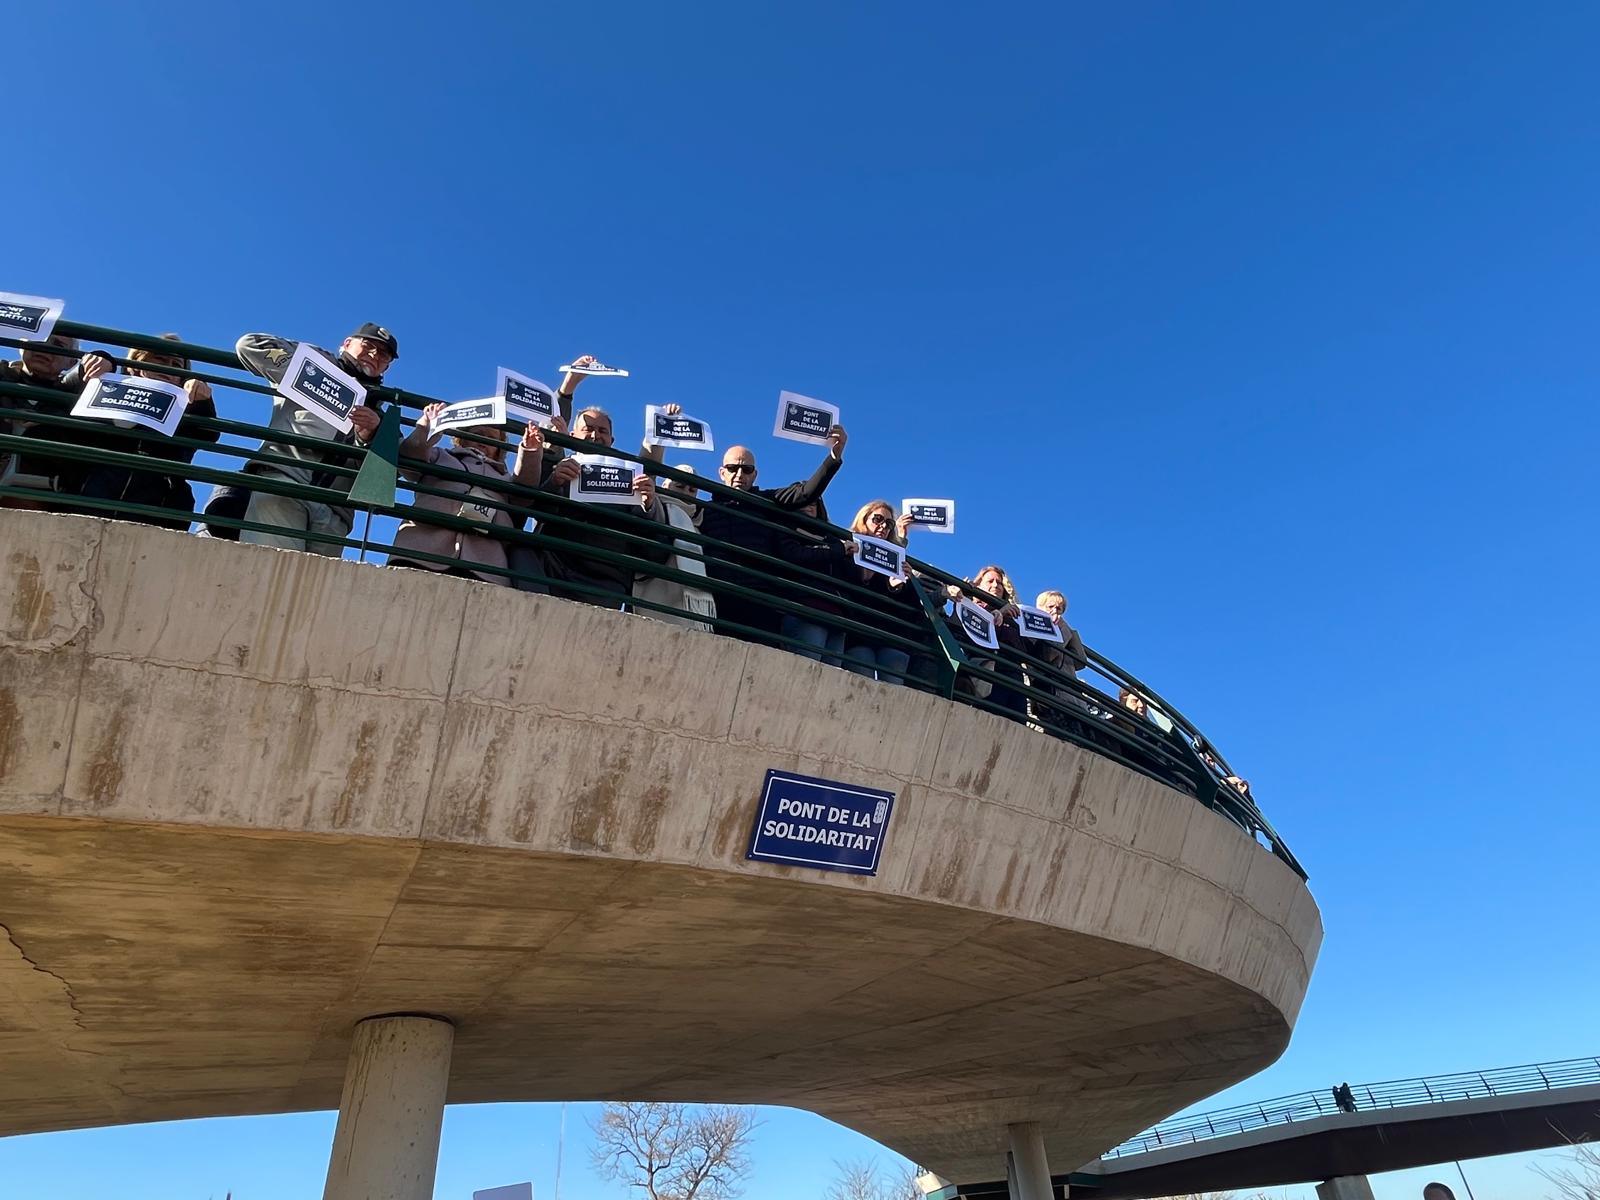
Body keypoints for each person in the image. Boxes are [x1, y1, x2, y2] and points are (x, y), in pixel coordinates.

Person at [643, 416, 847, 644]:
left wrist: (833, 458)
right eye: (732, 468)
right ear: (722, 472)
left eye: (746, 469)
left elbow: (806, 493)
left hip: (761, 603)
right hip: (718, 600)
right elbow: (660, 502)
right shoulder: (704, 509)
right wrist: (659, 431)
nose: (739, 474)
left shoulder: (768, 502)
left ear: (754, 474)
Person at [203, 322, 398, 553]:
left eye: (384, 354)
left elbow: (386, 475)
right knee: (270, 570)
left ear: (386, 366)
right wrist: (319, 373)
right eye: (367, 345)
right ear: (346, 344)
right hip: (284, 486)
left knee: (316, 588)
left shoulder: (381, 415)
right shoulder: (313, 367)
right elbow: (248, 344)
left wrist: (369, 436)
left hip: (335, 515)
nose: (374, 354)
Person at [51, 335, 219, 530]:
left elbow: (207, 434)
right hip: (86, 499)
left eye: (176, 365)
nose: (169, 367)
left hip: (157, 511)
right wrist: (99, 360)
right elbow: (65, 393)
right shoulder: (108, 388)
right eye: (160, 360)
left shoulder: (185, 408)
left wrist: (202, 400)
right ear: (136, 365)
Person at [518, 406, 674, 604]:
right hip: (554, 573)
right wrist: (555, 482)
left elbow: (654, 548)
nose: (595, 435)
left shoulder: (630, 480)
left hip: (607, 584)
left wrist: (649, 505)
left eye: (603, 431)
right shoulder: (561, 468)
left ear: (612, 440)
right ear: (572, 435)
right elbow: (534, 511)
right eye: (588, 428)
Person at [389, 404, 545, 585]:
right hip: (421, 552)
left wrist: (530, 451)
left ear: (499, 448)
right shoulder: (439, 455)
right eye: (477, 434)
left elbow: (524, 494)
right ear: (462, 439)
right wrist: (427, 427)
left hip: (486, 566)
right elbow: (409, 463)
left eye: (491, 438)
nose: (483, 441)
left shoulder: (505, 477)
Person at [2, 334, 105, 507]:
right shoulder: (3, 376)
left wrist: (102, 359)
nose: (45, 348)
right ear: (22, 346)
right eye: (39, 339)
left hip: (37, 495)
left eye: (58, 346)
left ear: (71, 362)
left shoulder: (71, 398)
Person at [840, 500, 921, 685]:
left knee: (893, 692)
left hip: (889, 634)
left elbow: (910, 603)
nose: (883, 526)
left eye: (889, 523)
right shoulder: (847, 545)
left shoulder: (894, 558)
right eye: (878, 519)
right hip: (857, 632)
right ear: (864, 519)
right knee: (861, 685)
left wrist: (897, 586)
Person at [632, 462, 717, 631]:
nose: (686, 493)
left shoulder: (700, 521)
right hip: (655, 596)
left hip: (689, 610)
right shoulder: (654, 505)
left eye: (692, 490)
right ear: (665, 485)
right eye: (680, 486)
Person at [948, 565, 1027, 716]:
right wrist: (997, 615)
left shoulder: (1014, 616)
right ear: (978, 584)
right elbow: (965, 633)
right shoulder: (969, 606)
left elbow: (1024, 649)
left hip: (1015, 678)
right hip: (987, 675)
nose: (995, 585)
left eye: (999, 583)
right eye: (990, 581)